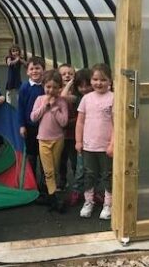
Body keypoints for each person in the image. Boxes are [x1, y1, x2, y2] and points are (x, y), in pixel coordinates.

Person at [75, 63, 114, 220]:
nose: (99, 83)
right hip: (88, 146)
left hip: (106, 147)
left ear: (110, 80)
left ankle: (108, 204)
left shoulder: (114, 98)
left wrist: (112, 143)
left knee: (107, 175)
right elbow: (80, 122)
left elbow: (117, 123)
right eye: (95, 79)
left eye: (103, 80)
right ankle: (88, 202)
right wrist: (78, 141)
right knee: (89, 174)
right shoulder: (86, 98)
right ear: (91, 80)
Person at [30, 69, 69, 212]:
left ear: (59, 88)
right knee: (48, 170)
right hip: (43, 139)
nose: (51, 90)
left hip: (57, 139)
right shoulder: (39, 99)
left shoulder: (61, 102)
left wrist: (54, 108)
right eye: (48, 87)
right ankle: (53, 196)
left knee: (54, 168)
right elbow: (33, 117)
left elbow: (64, 122)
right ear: (44, 86)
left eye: (54, 87)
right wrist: (44, 106)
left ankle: (52, 195)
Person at [65, 68, 93, 206]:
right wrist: (71, 82)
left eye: (87, 85)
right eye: (80, 86)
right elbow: (63, 96)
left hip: (97, 138)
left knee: (95, 169)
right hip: (84, 138)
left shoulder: (100, 97)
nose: (84, 89)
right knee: (81, 168)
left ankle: (91, 193)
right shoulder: (79, 99)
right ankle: (76, 191)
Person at [18, 56, 46, 186]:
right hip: (30, 126)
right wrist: (22, 125)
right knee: (31, 155)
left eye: (38, 68)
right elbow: (21, 107)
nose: (35, 71)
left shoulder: (46, 87)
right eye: (32, 69)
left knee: (44, 155)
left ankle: (45, 183)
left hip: (45, 127)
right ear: (27, 72)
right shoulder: (24, 87)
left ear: (43, 70)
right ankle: (32, 181)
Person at [57, 63, 76, 191]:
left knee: (75, 161)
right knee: (60, 160)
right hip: (60, 133)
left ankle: (78, 185)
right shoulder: (56, 91)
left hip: (74, 133)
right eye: (63, 74)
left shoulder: (77, 92)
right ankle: (62, 182)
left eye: (70, 73)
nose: (67, 76)